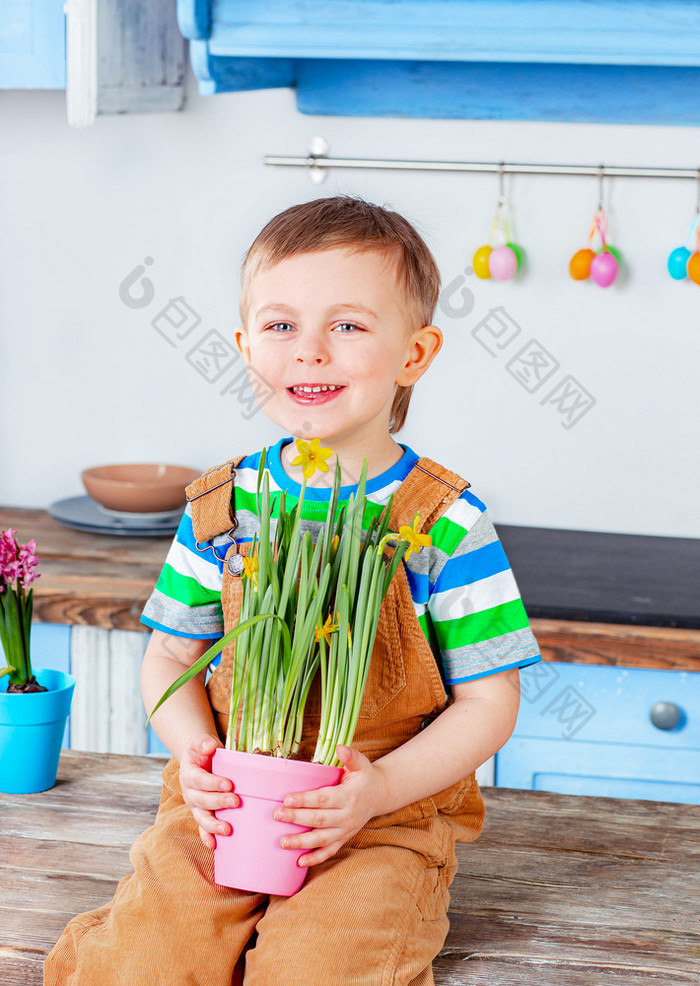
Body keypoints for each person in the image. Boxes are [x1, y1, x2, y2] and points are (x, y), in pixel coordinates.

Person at [45, 195, 541, 985]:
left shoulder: (445, 523)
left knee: (323, 967)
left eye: (347, 326)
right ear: (245, 346)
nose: (309, 352)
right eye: (281, 326)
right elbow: (168, 654)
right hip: (229, 799)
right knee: (143, 960)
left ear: (415, 353)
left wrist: (377, 790)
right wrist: (194, 754)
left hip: (381, 815)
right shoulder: (223, 506)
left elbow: (491, 704)